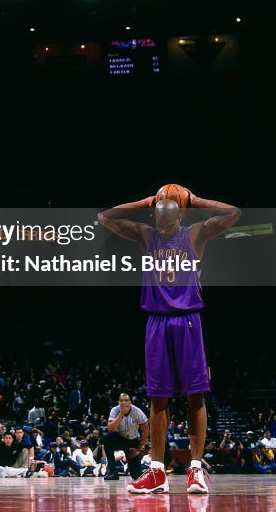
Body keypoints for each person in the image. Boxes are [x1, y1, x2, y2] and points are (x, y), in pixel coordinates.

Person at [98, 188, 241, 495]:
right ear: (154, 217)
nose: (163, 228)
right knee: (158, 399)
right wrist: (144, 201)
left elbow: (233, 213)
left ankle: (196, 469)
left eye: (169, 221)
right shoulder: (147, 235)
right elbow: (105, 217)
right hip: (156, 321)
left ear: (181, 215)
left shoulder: (194, 234)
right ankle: (157, 472)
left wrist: (195, 200)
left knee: (195, 397)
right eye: (159, 221)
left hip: (188, 319)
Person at [103, 393, 149, 482]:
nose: (124, 403)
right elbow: (111, 429)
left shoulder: (137, 412)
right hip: (120, 439)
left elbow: (146, 431)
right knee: (107, 439)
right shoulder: (114, 410)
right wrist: (121, 413)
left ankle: (140, 470)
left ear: (130, 402)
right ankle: (112, 471)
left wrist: (138, 449)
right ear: (118, 402)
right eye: (121, 401)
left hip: (133, 441)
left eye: (126, 400)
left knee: (136, 475)